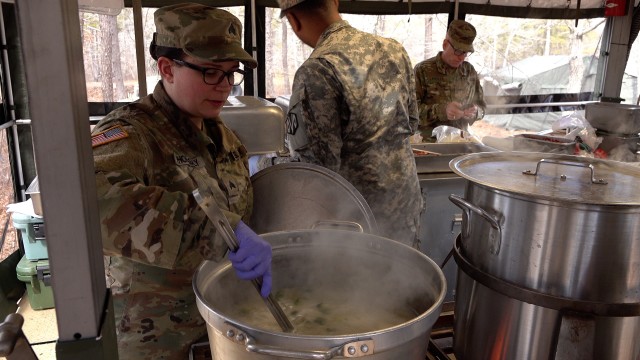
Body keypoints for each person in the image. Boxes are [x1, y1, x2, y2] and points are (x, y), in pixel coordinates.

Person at [91, 4, 271, 359]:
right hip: (156, 341)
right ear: (167, 68)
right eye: (209, 72)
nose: (223, 86)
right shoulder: (131, 134)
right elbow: (91, 205)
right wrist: (216, 233)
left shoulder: (224, 137)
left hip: (221, 329)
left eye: (230, 73)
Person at [277, 0, 423, 248]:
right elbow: (410, 121)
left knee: (360, 286)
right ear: (335, 1)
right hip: (405, 207)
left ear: (293, 20)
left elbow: (318, 170)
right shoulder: (393, 50)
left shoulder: (318, 69)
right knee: (404, 281)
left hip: (357, 224)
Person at [414, 19, 487, 141]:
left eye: (466, 53)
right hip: (429, 145)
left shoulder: (469, 71)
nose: (462, 58)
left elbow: (482, 107)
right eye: (458, 51)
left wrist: (476, 112)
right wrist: (442, 111)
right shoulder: (423, 70)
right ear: (445, 44)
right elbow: (410, 112)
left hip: (460, 142)